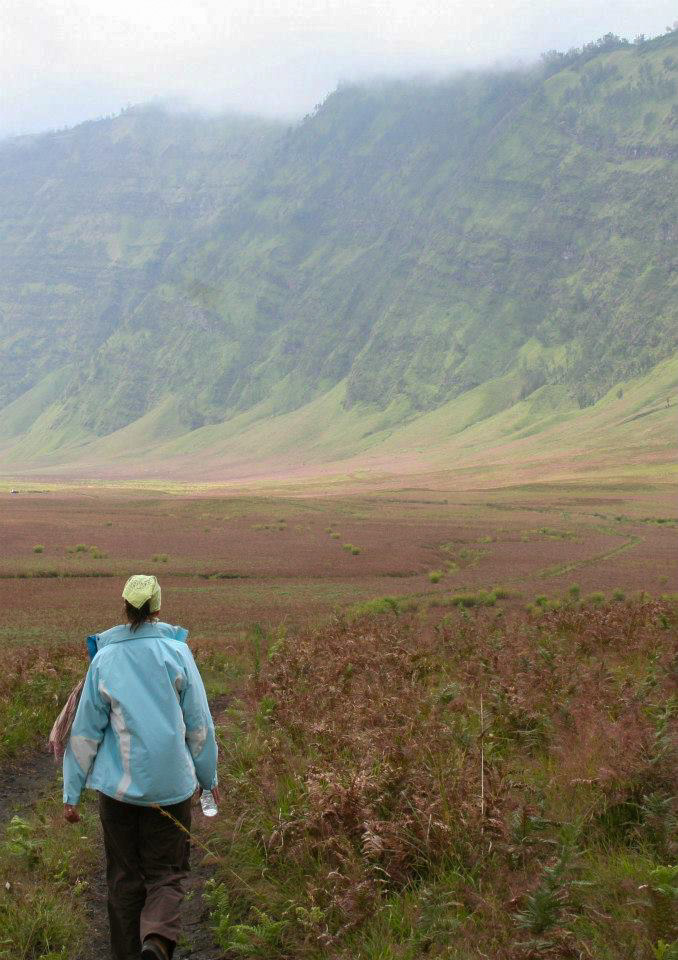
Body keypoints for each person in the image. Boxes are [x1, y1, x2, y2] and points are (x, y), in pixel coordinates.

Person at [62, 574, 219, 960]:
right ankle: (157, 942)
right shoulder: (177, 654)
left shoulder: (105, 658)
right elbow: (199, 725)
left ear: (125, 608)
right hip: (172, 789)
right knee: (167, 873)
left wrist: (71, 793)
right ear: (158, 609)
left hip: (117, 793)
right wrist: (208, 780)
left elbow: (85, 732)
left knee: (123, 879)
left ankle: (128, 954)